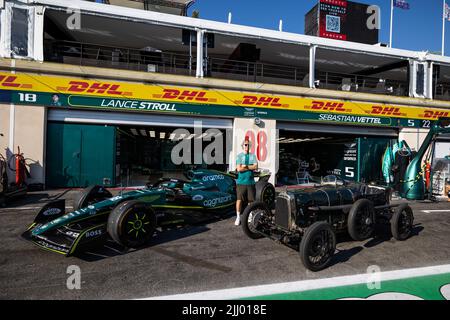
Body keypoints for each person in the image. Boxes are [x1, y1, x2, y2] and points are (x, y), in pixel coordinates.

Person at [234, 137, 258, 226]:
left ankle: (250, 216)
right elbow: (239, 169)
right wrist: (248, 167)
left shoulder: (253, 156)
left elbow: (256, 167)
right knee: (239, 200)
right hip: (241, 182)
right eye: (245, 144)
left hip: (250, 182)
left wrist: (246, 166)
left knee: (250, 201)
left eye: (248, 145)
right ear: (242, 146)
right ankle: (238, 217)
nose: (246, 146)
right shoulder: (239, 156)